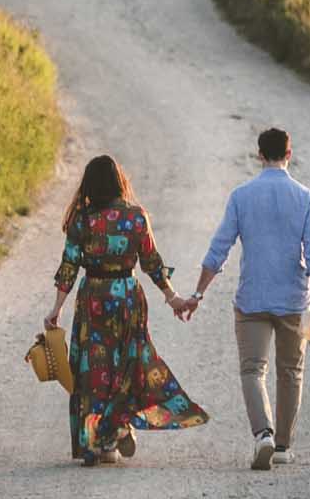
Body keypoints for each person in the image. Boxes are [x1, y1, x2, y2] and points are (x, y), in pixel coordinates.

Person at [44, 154, 208, 464]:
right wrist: (172, 297)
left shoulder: (81, 221)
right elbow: (151, 262)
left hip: (93, 297)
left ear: (89, 185)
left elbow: (69, 266)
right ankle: (118, 426)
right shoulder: (136, 217)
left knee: (94, 370)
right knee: (128, 364)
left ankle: (99, 439)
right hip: (128, 298)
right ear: (120, 182)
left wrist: (56, 308)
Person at [185, 127, 310, 471]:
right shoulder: (307, 198)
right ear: (289, 155)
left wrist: (198, 293)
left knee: (253, 370)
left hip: (252, 298)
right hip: (294, 299)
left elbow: (219, 249)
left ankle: (262, 434)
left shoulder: (241, 196)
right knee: (291, 372)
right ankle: (282, 446)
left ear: (259, 155)